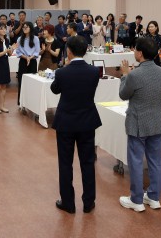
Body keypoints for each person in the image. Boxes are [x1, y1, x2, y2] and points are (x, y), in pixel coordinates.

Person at [50, 35, 101, 214]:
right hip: (87, 120)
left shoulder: (62, 72)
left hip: (66, 122)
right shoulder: (94, 72)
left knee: (65, 163)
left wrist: (64, 67)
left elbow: (54, 89)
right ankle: (88, 202)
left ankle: (68, 203)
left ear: (69, 52)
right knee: (87, 162)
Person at [118, 38, 161, 212]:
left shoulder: (135, 75)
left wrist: (125, 75)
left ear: (139, 53)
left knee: (136, 161)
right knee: (155, 161)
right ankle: (154, 197)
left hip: (138, 122)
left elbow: (123, 94)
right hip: (156, 120)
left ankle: (136, 199)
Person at [0, 24, 17, 114]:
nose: (3, 30)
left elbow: (9, 54)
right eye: (1, 29)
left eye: (4, 28)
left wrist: (12, 49)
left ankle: (2, 106)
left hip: (5, 63)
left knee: (4, 86)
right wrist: (6, 50)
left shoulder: (6, 40)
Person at [16, 21, 40, 108]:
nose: (25, 29)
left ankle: (31, 102)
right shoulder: (19, 39)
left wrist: (30, 57)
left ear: (31, 28)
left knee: (32, 81)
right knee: (21, 81)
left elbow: (37, 51)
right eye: (24, 27)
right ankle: (21, 102)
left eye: (27, 27)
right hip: (23, 61)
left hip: (32, 61)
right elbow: (18, 51)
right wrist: (26, 58)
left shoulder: (35, 39)